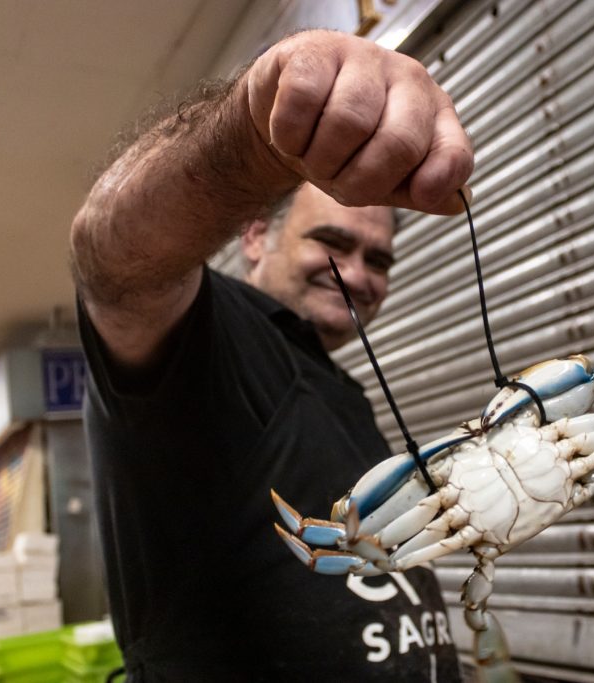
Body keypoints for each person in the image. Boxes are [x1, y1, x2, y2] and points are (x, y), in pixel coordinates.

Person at [70, 29, 474, 682]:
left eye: (378, 259)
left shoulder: (338, 386)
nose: (359, 274)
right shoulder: (209, 335)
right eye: (333, 243)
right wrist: (253, 139)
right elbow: (113, 256)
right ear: (255, 235)